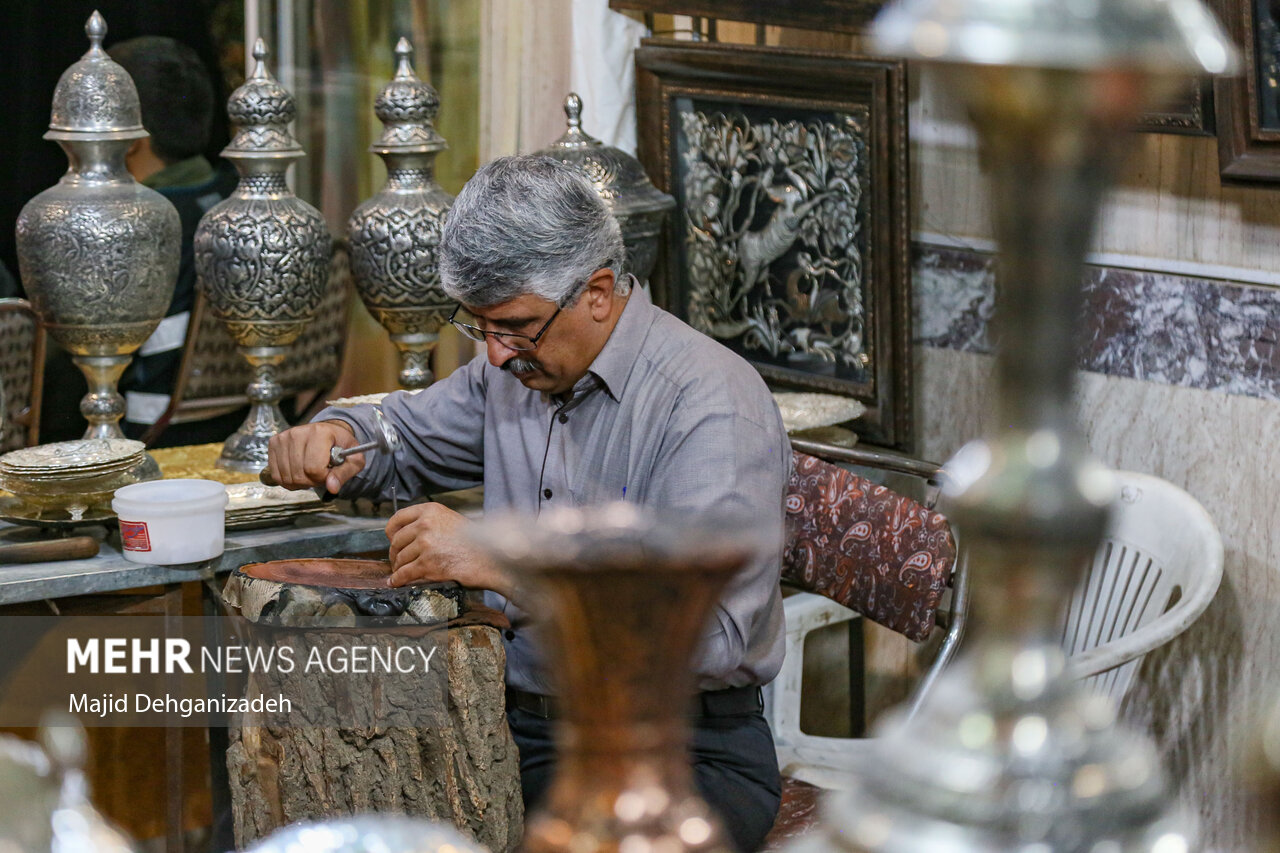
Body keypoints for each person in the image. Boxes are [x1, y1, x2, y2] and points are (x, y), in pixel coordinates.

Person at [267, 154, 789, 852]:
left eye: (514, 326)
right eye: (479, 327)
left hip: (682, 746)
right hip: (523, 728)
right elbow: (403, 435)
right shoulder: (516, 368)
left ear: (598, 292)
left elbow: (715, 636)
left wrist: (512, 564)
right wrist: (336, 436)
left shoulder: (709, 404)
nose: (493, 356)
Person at [40, 35, 240, 444]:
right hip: (237, 426)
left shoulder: (129, 229)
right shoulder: (239, 200)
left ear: (130, 137)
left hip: (143, 439)